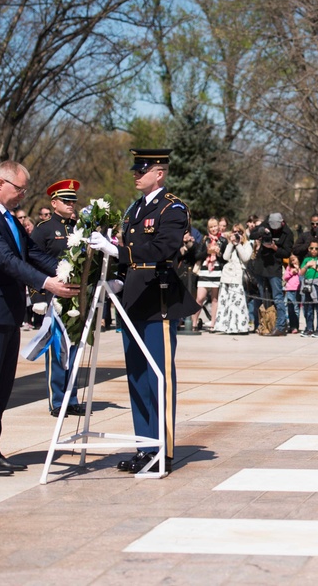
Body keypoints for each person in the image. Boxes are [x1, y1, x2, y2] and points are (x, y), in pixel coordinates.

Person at [0, 161, 77, 476]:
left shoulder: (8, 218)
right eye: (19, 189)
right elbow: (6, 260)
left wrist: (68, 268)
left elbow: (32, 254)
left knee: (0, 390)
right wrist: (45, 284)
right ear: (1, 184)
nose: (23, 195)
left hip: (7, 313)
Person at [89, 149, 199, 475]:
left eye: (143, 169)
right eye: (135, 170)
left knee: (158, 379)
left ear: (159, 173)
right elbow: (134, 257)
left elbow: (162, 249)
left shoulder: (172, 208)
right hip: (133, 303)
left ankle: (162, 452)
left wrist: (119, 252)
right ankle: (145, 447)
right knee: (136, 378)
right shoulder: (133, 209)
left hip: (159, 304)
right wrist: (119, 280)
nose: (136, 175)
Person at [29, 179, 86, 417]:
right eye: (66, 200)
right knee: (57, 349)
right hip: (53, 296)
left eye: (73, 200)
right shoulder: (43, 230)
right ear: (54, 203)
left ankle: (72, 398)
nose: (71, 204)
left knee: (75, 349)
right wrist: (37, 296)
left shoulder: (79, 228)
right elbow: (31, 263)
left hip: (76, 295)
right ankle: (58, 399)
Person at [250, 212, 293, 337]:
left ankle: (280, 326)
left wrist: (274, 248)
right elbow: (251, 235)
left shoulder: (287, 233)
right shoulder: (265, 224)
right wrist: (261, 231)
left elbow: (287, 253)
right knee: (263, 296)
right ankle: (263, 324)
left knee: (278, 296)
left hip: (274, 267)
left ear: (282, 222)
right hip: (261, 264)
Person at [212, 224, 253, 334]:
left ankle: (239, 327)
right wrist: (230, 243)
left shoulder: (247, 244)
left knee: (237, 303)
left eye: (239, 232)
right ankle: (224, 326)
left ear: (243, 233)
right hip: (226, 275)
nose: (236, 234)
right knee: (225, 302)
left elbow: (245, 258)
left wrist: (238, 244)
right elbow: (225, 257)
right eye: (234, 232)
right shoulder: (230, 243)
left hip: (238, 275)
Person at [193, 217, 224, 331]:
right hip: (205, 271)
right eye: (211, 227)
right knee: (200, 298)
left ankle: (213, 323)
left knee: (215, 299)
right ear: (208, 228)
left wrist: (218, 253)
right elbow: (197, 256)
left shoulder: (223, 240)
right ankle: (194, 323)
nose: (213, 229)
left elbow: (225, 258)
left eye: (215, 226)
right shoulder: (205, 240)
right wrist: (207, 252)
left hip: (217, 271)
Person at [299, 242, 318, 337]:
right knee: (308, 308)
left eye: (316, 248)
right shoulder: (306, 259)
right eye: (311, 248)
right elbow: (301, 273)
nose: (314, 250)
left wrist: (315, 266)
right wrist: (307, 265)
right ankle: (309, 328)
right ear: (308, 249)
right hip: (307, 284)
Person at [282, 254, 302, 333]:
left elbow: (302, 275)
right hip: (290, 289)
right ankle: (291, 325)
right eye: (291, 260)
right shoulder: (288, 268)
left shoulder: (300, 268)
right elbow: (285, 277)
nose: (293, 261)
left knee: (296, 308)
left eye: (294, 259)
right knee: (290, 308)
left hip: (297, 289)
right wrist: (291, 272)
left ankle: (295, 326)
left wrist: (298, 269)